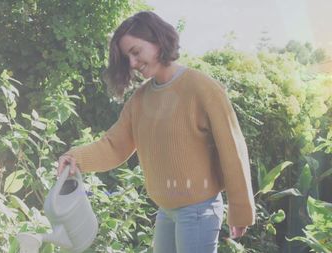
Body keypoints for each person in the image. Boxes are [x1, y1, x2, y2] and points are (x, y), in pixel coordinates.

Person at [57, 11, 255, 253]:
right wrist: (75, 158)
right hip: (166, 211)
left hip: (198, 211)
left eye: (136, 52)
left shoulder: (202, 88)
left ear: (158, 40)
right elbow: (114, 145)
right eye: (126, 57)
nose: (132, 63)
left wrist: (240, 209)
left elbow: (233, 149)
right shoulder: (140, 99)